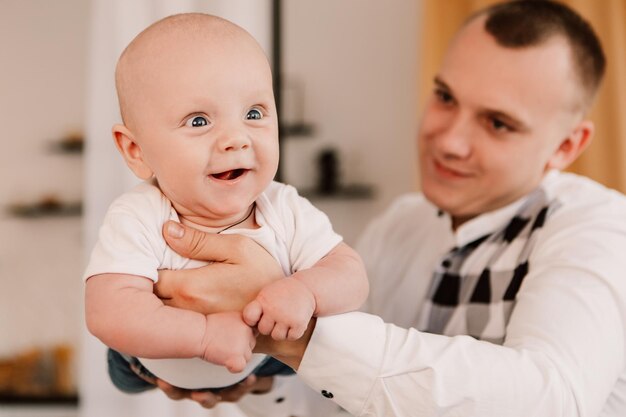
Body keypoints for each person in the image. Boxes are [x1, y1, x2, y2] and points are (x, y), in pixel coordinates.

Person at [151, 1, 626, 416]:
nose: (450, 141)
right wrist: (257, 380)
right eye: (445, 97)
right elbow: (336, 400)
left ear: (567, 145)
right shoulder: (400, 225)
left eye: (498, 123)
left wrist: (294, 334)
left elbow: (553, 400)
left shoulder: (602, 230)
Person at [82, 11, 368, 407]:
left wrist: (304, 291)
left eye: (254, 114)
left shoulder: (283, 206)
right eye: (198, 121)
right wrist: (203, 336)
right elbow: (107, 312)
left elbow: (351, 276)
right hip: (152, 363)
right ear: (136, 150)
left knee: (321, 340)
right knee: (121, 360)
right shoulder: (138, 215)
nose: (236, 138)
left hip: (264, 359)